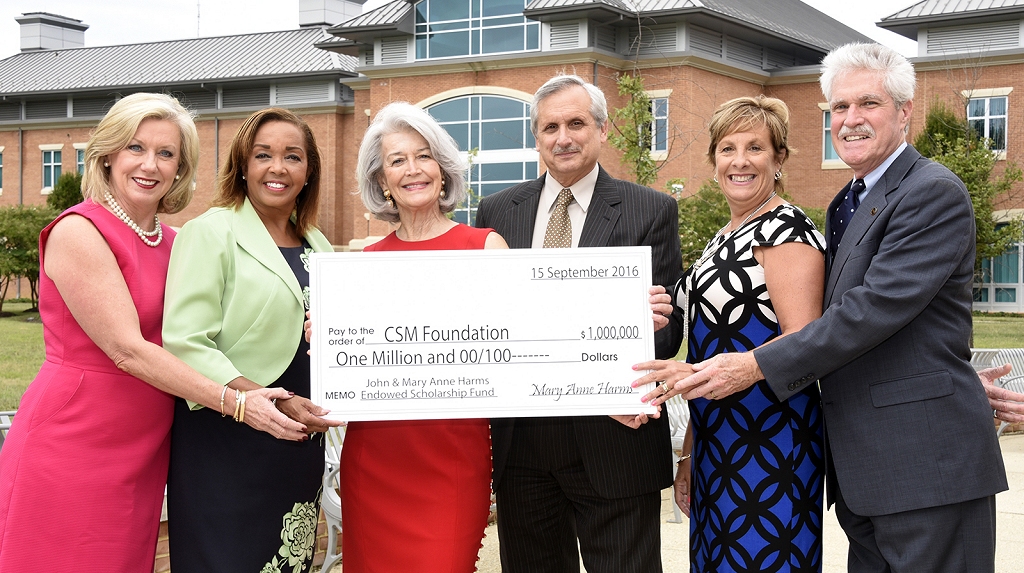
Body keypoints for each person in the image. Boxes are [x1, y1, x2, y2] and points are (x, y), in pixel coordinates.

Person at [664, 43, 1011, 573]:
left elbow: (870, 312)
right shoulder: (847, 202)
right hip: (864, 468)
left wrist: (753, 364)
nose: (850, 120)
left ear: (904, 111)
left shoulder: (932, 192)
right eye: (839, 108)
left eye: (867, 104)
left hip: (924, 463)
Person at [0, 93, 304, 573]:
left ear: (181, 169)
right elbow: (127, 350)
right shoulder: (79, 231)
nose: (150, 165)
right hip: (73, 442)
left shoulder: (180, 243)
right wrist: (239, 403)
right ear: (107, 155)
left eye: (166, 153)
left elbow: (224, 331)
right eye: (135, 148)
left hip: (146, 450)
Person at [474, 74, 683, 573]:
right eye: (549, 127)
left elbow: (669, 335)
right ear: (536, 137)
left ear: (602, 129)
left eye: (576, 123)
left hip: (615, 440)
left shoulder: (650, 209)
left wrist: (651, 322)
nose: (562, 137)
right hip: (522, 447)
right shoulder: (497, 211)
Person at [632, 95, 827, 572]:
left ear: (779, 159)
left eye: (755, 148)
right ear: (714, 160)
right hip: (717, 443)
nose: (739, 161)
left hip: (772, 444)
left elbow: (807, 341)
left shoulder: (786, 230)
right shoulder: (724, 235)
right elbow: (708, 345)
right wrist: (690, 453)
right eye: (727, 148)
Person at [162, 107, 340, 573]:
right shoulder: (210, 232)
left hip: (298, 442)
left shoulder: (319, 244)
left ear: (309, 170)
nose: (277, 167)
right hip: (228, 440)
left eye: (292, 156)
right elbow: (184, 341)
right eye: (263, 155)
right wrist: (263, 401)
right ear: (243, 165)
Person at [338, 101, 508, 572]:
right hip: (375, 459)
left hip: (452, 456)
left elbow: (526, 345)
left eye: (423, 156)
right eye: (397, 160)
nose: (413, 170)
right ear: (380, 181)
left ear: (442, 168)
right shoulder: (364, 263)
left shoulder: (486, 247)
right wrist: (330, 339)